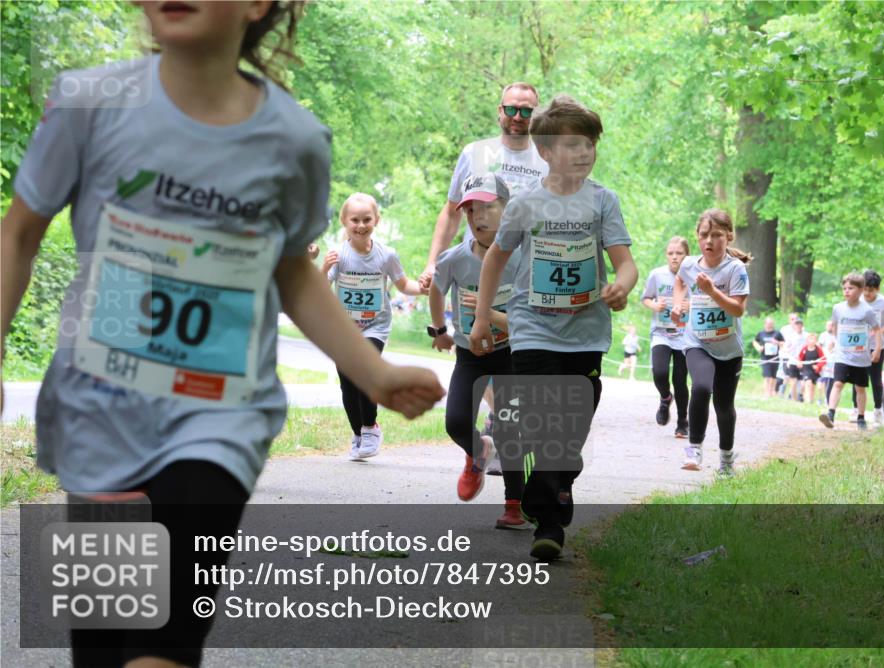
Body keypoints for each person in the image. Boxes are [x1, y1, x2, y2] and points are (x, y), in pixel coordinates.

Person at [0, 3, 444, 665]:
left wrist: (373, 374)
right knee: (102, 648)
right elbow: (19, 235)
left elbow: (294, 271)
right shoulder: (88, 104)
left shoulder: (293, 139)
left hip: (219, 416)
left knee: (166, 646)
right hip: (99, 412)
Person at [470, 95, 637, 561]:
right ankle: (549, 520)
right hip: (533, 328)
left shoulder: (604, 201)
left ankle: (556, 484)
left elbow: (624, 263)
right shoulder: (525, 205)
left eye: (590, 144)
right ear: (545, 152)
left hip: (586, 333)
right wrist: (483, 317)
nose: (584, 153)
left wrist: (621, 287)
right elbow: (495, 261)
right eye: (573, 145)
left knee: (571, 427)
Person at [428, 173, 527, 528]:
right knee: (455, 421)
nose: (477, 217)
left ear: (508, 209)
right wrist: (439, 329)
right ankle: (477, 451)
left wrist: (489, 313)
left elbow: (527, 318)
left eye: (487, 207)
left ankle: (514, 505)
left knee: (509, 428)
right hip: (469, 355)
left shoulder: (522, 258)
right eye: (470, 210)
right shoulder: (455, 258)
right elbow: (437, 289)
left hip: (511, 354)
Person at [323, 193, 427, 461]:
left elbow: (404, 285)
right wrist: (324, 268)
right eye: (354, 220)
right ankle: (358, 434)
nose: (360, 225)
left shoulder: (386, 255)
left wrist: (425, 289)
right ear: (344, 221)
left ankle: (370, 428)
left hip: (375, 327)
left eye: (366, 219)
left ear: (376, 220)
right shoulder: (338, 255)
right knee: (348, 384)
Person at [418, 82, 548, 290]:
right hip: (475, 270)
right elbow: (452, 212)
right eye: (511, 109)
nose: (517, 117)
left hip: (527, 275)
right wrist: (432, 263)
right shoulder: (474, 153)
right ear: (500, 110)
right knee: (473, 323)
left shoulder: (547, 160)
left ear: (536, 115)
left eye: (526, 111)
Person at [671, 209, 751, 477]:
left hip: (728, 348)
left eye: (716, 235)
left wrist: (712, 292)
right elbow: (680, 281)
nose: (709, 241)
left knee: (724, 406)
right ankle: (694, 448)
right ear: (697, 237)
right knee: (702, 387)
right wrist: (678, 302)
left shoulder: (735, 269)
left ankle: (727, 460)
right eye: (704, 235)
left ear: (728, 236)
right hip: (697, 341)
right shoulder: (689, 265)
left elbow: (738, 310)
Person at [641, 236, 691, 436]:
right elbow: (645, 298)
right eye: (670, 253)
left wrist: (691, 305)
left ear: (687, 255)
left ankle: (682, 421)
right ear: (666, 255)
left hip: (684, 334)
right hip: (661, 333)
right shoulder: (657, 275)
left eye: (679, 253)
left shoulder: (694, 276)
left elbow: (705, 301)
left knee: (680, 380)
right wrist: (654, 305)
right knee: (659, 373)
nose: (674, 257)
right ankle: (664, 398)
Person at [820, 273, 882, 430]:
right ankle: (830, 414)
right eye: (844, 288)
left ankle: (861, 418)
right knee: (838, 383)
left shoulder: (867, 311)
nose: (847, 291)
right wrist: (836, 341)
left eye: (851, 288)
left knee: (860, 388)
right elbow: (834, 325)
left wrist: (877, 349)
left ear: (861, 290)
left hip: (861, 357)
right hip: (843, 355)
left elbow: (877, 329)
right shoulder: (838, 308)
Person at [852, 269, 884, 424]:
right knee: (857, 377)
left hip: (878, 346)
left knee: (876, 379)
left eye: (870, 291)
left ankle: (878, 410)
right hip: (859, 344)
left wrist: (881, 331)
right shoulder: (857, 300)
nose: (867, 293)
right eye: (864, 289)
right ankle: (856, 409)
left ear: (877, 289)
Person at [753, 317, 784, 398]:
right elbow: (755, 341)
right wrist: (758, 347)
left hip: (775, 357)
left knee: (773, 376)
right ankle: (766, 393)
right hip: (765, 358)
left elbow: (783, 343)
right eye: (768, 323)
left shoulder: (777, 333)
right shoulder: (761, 333)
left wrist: (777, 342)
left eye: (771, 324)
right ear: (765, 324)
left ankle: (772, 392)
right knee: (767, 376)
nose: (770, 325)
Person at [783, 316, 807, 402]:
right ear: (794, 325)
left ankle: (802, 396)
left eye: (800, 324)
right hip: (793, 361)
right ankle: (794, 400)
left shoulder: (806, 335)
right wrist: (790, 350)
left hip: (803, 362)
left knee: (803, 383)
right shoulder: (790, 336)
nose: (798, 326)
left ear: (802, 325)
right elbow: (785, 349)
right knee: (793, 382)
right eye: (797, 324)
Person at [797, 333, 826, 405]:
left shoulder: (818, 349)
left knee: (813, 386)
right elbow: (799, 358)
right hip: (806, 369)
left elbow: (824, 359)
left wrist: (818, 366)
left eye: (814, 339)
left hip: (815, 371)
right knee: (808, 383)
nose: (812, 341)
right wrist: (799, 363)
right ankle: (808, 400)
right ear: (807, 340)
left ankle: (811, 401)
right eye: (810, 339)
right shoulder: (804, 349)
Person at [817, 319, 837, 404]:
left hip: (833, 361)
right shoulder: (823, 335)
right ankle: (819, 398)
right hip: (825, 360)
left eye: (832, 325)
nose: (830, 327)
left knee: (831, 381)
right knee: (822, 380)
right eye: (828, 325)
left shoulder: (837, 336)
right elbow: (819, 347)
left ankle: (827, 398)